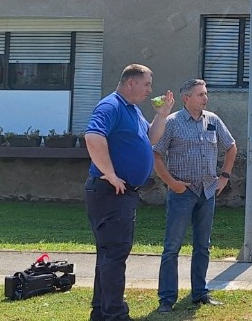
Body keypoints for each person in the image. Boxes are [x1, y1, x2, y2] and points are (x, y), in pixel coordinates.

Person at [84, 64, 174, 321]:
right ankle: (115, 314)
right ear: (131, 83)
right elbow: (93, 136)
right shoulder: (110, 106)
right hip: (109, 191)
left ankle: (101, 313)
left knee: (109, 255)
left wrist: (162, 114)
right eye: (146, 84)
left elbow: (150, 138)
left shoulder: (131, 109)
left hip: (121, 193)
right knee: (115, 255)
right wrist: (110, 173)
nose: (150, 90)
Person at [152, 79, 237, 313]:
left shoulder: (213, 120)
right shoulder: (172, 123)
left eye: (206, 94)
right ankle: (166, 299)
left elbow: (231, 147)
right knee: (172, 247)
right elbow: (156, 155)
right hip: (182, 192)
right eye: (200, 94)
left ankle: (200, 293)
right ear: (186, 98)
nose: (205, 98)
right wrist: (173, 184)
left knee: (203, 246)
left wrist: (224, 177)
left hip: (207, 191)